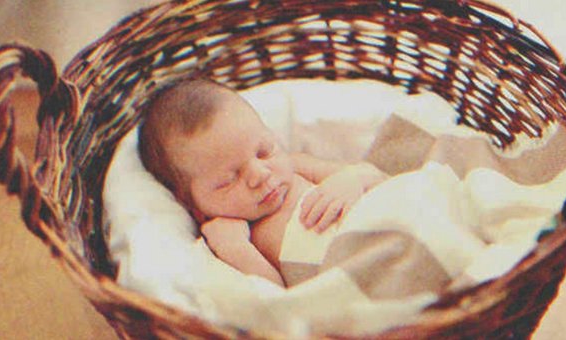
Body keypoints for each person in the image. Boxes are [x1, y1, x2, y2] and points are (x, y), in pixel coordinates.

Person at [138, 78, 388, 287]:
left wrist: (351, 179)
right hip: (349, 280)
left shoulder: (297, 167)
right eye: (228, 180)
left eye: (264, 151)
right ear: (196, 209)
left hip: (382, 229)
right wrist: (237, 250)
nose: (260, 174)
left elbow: (380, 178)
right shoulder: (228, 239)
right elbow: (274, 299)